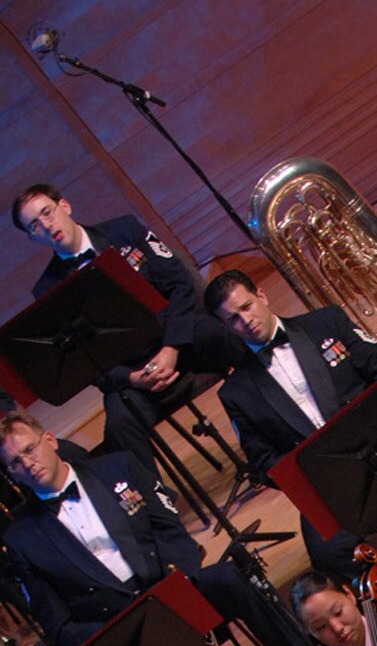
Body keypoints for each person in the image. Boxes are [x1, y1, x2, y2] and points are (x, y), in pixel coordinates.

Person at [0, 413, 311, 646]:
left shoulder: (118, 467)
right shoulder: (21, 538)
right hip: (120, 632)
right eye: (15, 462)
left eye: (30, 450)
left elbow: (169, 529)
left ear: (50, 440)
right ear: (10, 475)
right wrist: (109, 638)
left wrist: (181, 583)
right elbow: (57, 626)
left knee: (230, 578)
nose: (28, 463)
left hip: (172, 589)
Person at [11, 183, 244, 479]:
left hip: (178, 340)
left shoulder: (124, 231)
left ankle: (278, 432)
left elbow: (179, 286)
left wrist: (171, 348)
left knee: (233, 337)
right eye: (35, 225)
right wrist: (132, 377)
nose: (47, 225)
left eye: (47, 212)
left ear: (64, 206)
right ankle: (160, 512)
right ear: (32, 237)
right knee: (120, 427)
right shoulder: (46, 289)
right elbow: (82, 361)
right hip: (132, 377)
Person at [203, 271, 377, 585]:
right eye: (233, 319)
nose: (246, 320)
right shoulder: (236, 392)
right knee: (327, 551)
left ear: (261, 296)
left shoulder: (326, 322)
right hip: (325, 484)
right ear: (226, 327)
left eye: (247, 306)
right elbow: (262, 461)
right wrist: (311, 476)